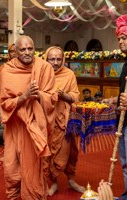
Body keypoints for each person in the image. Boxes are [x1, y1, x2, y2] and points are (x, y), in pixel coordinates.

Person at [0, 35, 56, 199]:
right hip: (15, 126)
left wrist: (37, 96)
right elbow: (4, 103)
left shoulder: (44, 67)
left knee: (33, 168)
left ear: (35, 49)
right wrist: (24, 96)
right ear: (15, 52)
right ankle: (14, 196)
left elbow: (52, 98)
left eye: (30, 48)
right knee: (11, 167)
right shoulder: (7, 70)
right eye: (22, 49)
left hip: (35, 126)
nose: (27, 52)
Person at [44, 46, 85, 195]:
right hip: (47, 120)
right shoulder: (41, 74)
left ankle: (71, 180)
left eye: (58, 59)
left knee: (70, 151)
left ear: (63, 60)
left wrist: (64, 95)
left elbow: (75, 96)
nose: (55, 62)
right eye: (51, 59)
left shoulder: (69, 74)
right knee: (49, 152)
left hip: (67, 120)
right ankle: (53, 181)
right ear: (46, 59)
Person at [115, 14, 127, 200]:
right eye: (119, 39)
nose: (121, 41)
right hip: (124, 122)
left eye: (124, 37)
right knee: (125, 164)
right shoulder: (125, 63)